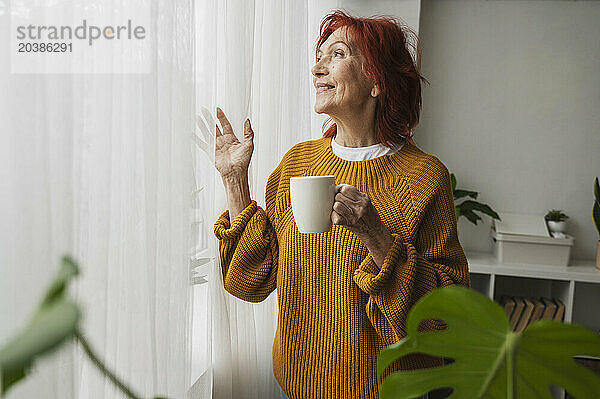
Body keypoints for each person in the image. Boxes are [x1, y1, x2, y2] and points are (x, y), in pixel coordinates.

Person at [213, 9, 470, 399]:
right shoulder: (296, 164)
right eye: (319, 56)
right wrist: (235, 181)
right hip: (295, 387)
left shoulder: (423, 177)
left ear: (377, 82)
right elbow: (249, 282)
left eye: (338, 54)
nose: (317, 68)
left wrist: (377, 237)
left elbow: (445, 321)